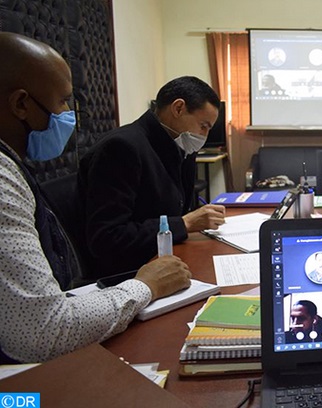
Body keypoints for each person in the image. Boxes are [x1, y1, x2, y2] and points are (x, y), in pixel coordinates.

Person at [0, 32, 192, 363]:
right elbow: (43, 330)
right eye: (62, 102)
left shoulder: (12, 164)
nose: (69, 116)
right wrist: (144, 286)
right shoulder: (3, 180)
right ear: (21, 104)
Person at [78, 76, 226, 276]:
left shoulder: (179, 146)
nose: (204, 136)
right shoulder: (122, 148)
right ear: (178, 108)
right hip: (133, 274)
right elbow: (107, 238)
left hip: (166, 259)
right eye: (203, 126)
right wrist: (185, 224)